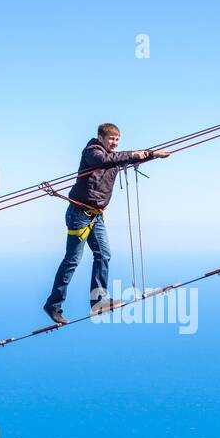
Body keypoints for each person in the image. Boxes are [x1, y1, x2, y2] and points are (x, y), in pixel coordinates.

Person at [42, 123, 169, 324]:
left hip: (96, 215)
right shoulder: (92, 152)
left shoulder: (114, 156)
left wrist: (153, 154)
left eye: (117, 140)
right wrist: (134, 154)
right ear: (100, 138)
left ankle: (98, 301)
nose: (114, 143)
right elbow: (105, 160)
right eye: (111, 139)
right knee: (72, 260)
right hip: (79, 214)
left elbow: (123, 158)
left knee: (104, 254)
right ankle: (53, 305)